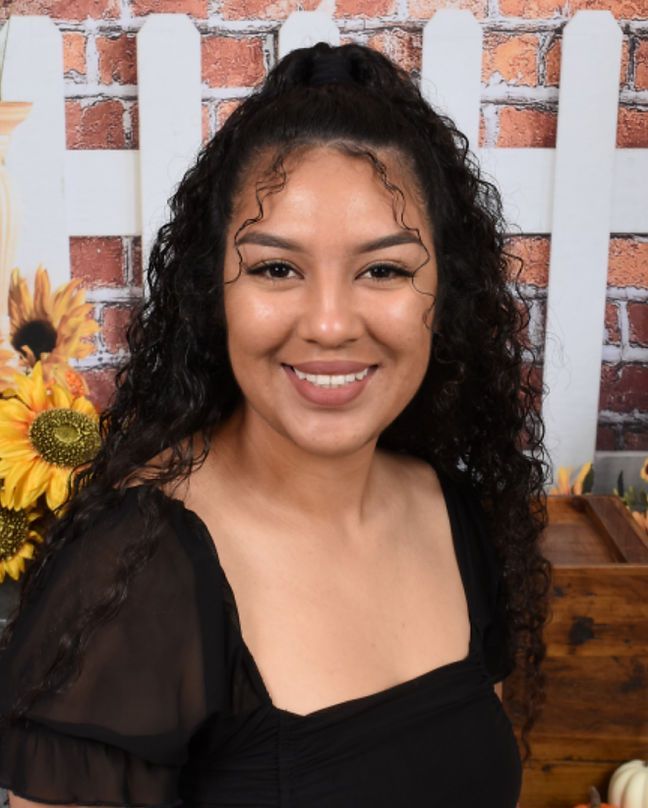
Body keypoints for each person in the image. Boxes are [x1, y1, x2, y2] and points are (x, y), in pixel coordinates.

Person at [0, 41, 552, 807]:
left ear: (442, 294)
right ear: (213, 292)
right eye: (276, 269)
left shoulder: (452, 511)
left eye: (383, 269)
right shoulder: (138, 571)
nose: (329, 324)